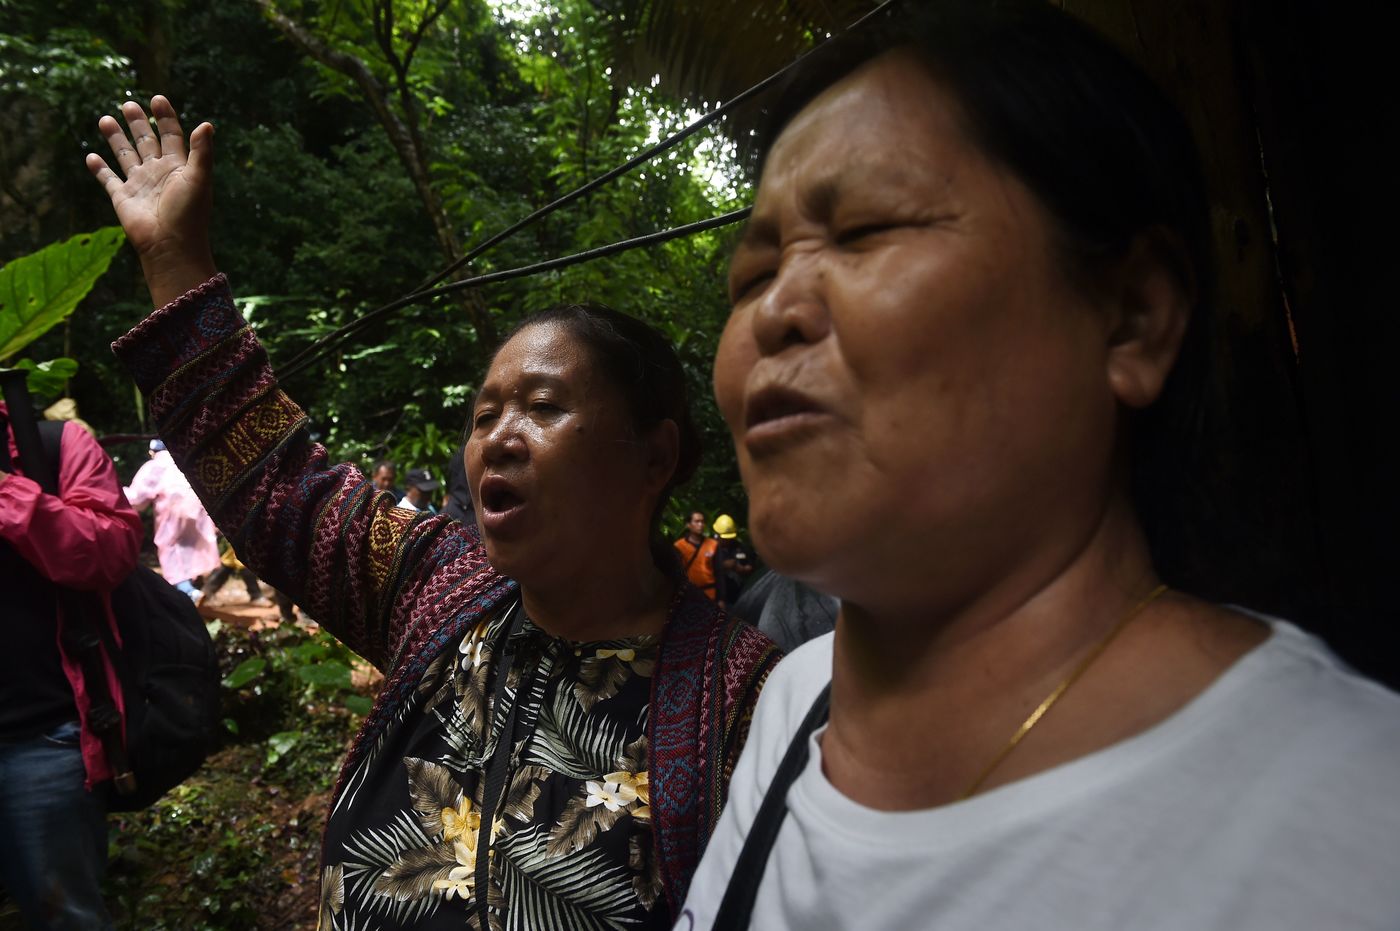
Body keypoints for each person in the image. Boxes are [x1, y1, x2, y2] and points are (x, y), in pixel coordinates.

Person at [676, 2, 1400, 929]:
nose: (773, 312)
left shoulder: (1343, 826)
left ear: (1132, 316)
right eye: (749, 278)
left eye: (863, 232)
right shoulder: (793, 704)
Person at [88, 95, 780, 930]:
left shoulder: (742, 700)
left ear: (655, 456)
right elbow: (282, 487)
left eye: (543, 406)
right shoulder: (437, 589)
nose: (498, 439)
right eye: (484, 416)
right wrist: (174, 260)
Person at [1, 400, 143, 930]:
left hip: (38, 740)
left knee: (63, 916)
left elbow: (112, 550)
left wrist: (9, 495)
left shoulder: (54, 447)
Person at [122, 439, 219, 598]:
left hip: (174, 512)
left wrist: (114, 491)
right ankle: (192, 587)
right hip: (200, 510)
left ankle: (188, 592)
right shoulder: (185, 461)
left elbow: (136, 499)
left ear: (153, 452)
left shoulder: (155, 465)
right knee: (193, 550)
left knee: (172, 551)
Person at [710, 514, 753, 608]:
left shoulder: (739, 547)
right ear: (717, 535)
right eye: (725, 538)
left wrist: (741, 569)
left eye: (729, 537)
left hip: (739, 597)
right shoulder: (709, 548)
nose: (728, 540)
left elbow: (750, 566)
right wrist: (722, 566)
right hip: (716, 598)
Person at [673, 510, 718, 599]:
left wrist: (721, 599)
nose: (700, 524)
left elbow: (719, 572)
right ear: (688, 524)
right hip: (689, 595)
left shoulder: (713, 544)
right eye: (697, 521)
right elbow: (676, 573)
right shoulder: (679, 546)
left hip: (710, 594)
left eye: (702, 521)